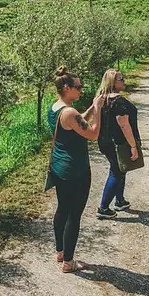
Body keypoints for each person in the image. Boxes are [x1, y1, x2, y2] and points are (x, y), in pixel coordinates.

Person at [47, 66, 105, 272]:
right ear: (66, 87)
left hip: (58, 167)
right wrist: (97, 110)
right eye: (78, 87)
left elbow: (77, 121)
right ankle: (69, 262)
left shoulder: (55, 108)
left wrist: (90, 107)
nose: (81, 89)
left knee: (62, 208)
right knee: (74, 214)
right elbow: (93, 134)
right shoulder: (70, 112)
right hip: (75, 170)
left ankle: (61, 251)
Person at [94, 69, 141, 219]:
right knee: (117, 171)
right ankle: (103, 208)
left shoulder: (101, 99)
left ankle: (119, 200)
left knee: (121, 167)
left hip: (105, 141)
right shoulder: (118, 101)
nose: (124, 81)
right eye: (121, 79)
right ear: (113, 83)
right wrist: (133, 145)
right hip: (119, 143)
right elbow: (124, 125)